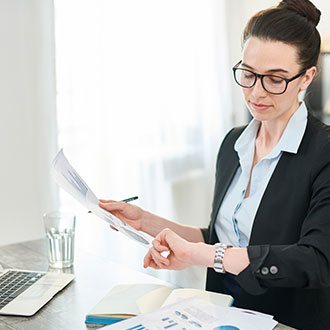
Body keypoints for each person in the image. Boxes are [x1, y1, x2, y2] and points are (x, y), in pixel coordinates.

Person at [100, 0, 330, 328]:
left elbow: (317, 260)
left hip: (285, 321)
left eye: (275, 79)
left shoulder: (323, 153)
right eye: (248, 74)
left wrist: (203, 256)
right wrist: (146, 222)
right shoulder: (233, 144)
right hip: (222, 312)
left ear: (306, 77)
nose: (256, 92)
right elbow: (224, 237)